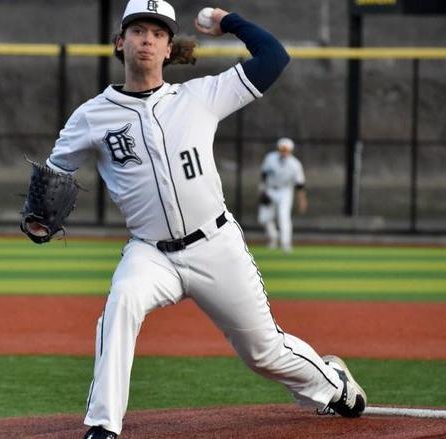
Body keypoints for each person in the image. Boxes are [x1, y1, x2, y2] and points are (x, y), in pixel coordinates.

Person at [40, 1, 366, 437]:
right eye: (138, 30)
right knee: (122, 303)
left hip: (216, 245)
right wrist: (41, 210)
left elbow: (274, 58)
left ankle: (332, 383)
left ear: (170, 48)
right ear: (120, 42)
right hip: (151, 253)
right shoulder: (92, 116)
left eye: (158, 33)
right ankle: (103, 426)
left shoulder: (199, 96)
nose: (147, 40)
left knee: (263, 353)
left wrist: (228, 22)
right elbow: (56, 168)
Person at [258, 137, 308, 252]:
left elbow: (300, 184)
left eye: (286, 149)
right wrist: (261, 191)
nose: (284, 151)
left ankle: (286, 243)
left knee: (283, 216)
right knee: (264, 218)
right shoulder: (270, 158)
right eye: (282, 149)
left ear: (291, 150)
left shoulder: (295, 164)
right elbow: (263, 176)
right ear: (278, 149)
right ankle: (273, 238)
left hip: (285, 191)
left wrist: (302, 200)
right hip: (270, 189)